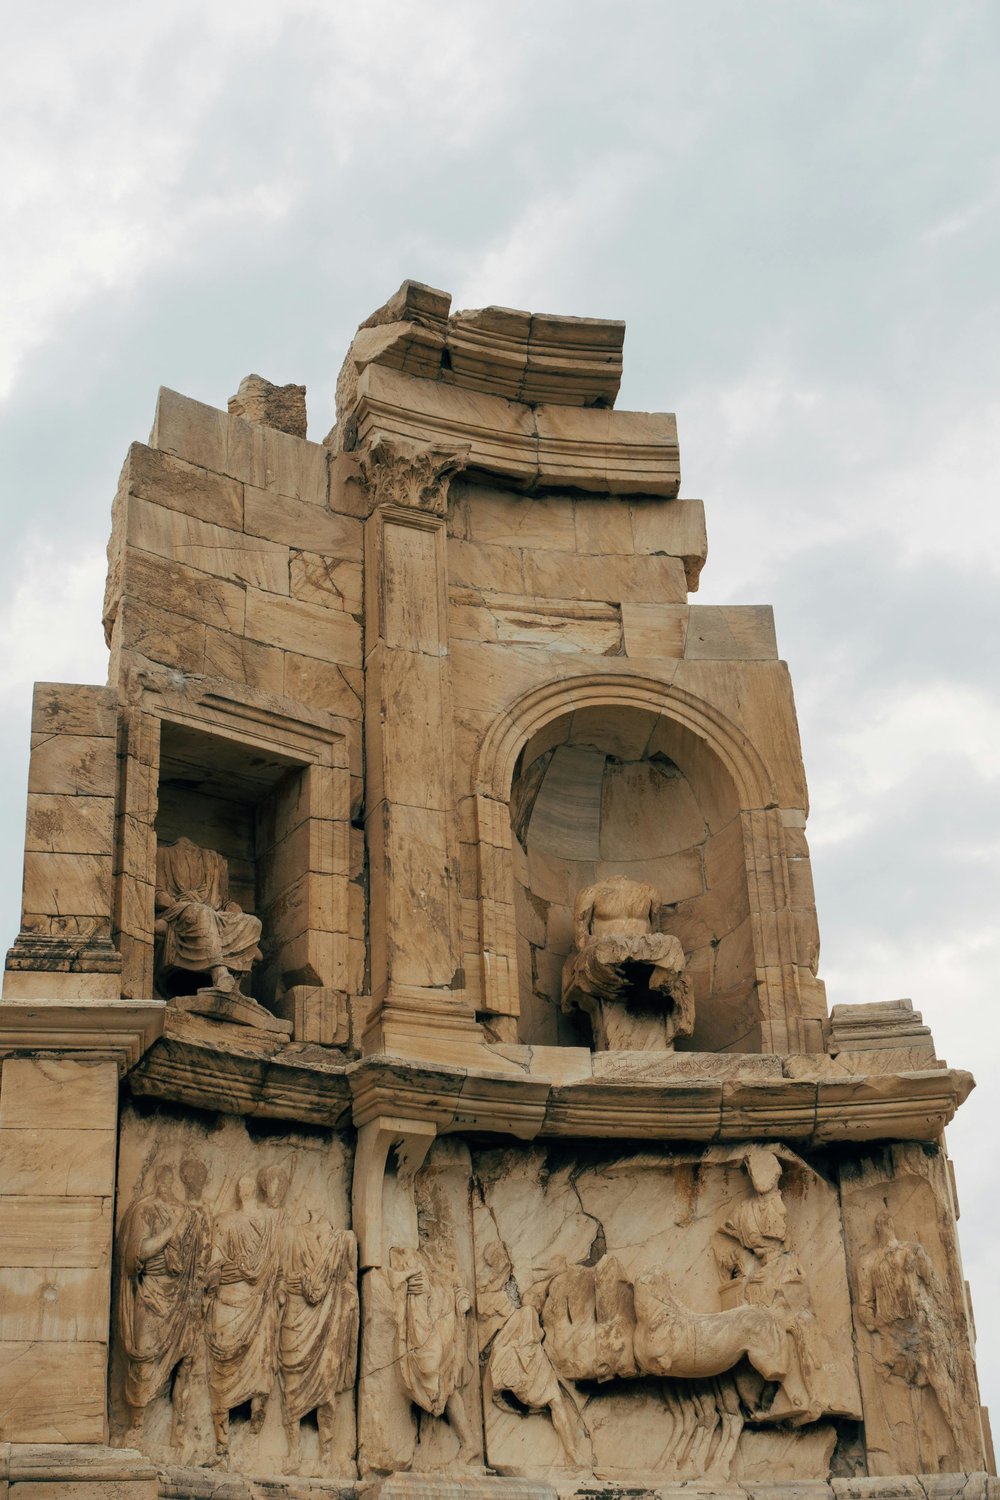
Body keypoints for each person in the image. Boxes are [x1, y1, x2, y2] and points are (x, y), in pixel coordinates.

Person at [117, 1158, 211, 1447]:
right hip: (151, 1292)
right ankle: (137, 1425)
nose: (168, 1185)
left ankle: (179, 1431)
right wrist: (169, 1233)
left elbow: (200, 1258)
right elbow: (137, 1254)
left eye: (173, 1181)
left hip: (183, 1295)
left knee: (185, 1361)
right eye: (164, 1180)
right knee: (143, 1357)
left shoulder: (189, 1214)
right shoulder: (145, 1210)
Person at [561, 874, 694, 1049]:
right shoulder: (590, 893)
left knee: (673, 945)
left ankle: (660, 983)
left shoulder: (649, 892)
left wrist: (637, 948)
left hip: (642, 951)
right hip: (605, 950)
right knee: (603, 952)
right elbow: (581, 939)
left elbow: (655, 932)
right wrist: (603, 947)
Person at [204, 1172, 282, 1462]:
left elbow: (215, 1262)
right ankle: (226, 1444)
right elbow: (215, 1261)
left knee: (252, 1373)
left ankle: (246, 1437)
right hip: (239, 1302)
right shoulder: (228, 1221)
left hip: (251, 1303)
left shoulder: (265, 1222)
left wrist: (209, 1282)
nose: (245, 1189)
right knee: (226, 1373)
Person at [155, 836, 262, 995]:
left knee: (254, 922)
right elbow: (157, 895)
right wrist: (177, 900)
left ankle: (235, 988)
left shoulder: (215, 862)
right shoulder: (162, 854)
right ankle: (220, 974)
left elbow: (227, 902)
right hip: (179, 910)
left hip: (215, 913)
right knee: (201, 912)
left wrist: (231, 909)